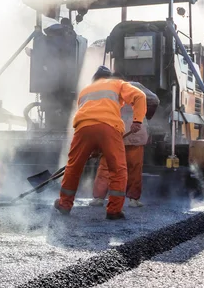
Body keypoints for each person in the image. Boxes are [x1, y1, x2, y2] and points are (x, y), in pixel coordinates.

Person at [54, 65, 147, 220]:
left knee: (73, 168)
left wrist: (94, 148)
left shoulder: (85, 91)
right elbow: (140, 96)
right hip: (109, 127)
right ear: (109, 77)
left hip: (83, 128)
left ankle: (64, 204)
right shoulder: (117, 84)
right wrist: (137, 120)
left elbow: (88, 114)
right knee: (118, 169)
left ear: (94, 79)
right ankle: (114, 210)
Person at [90, 76, 160, 208]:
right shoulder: (135, 86)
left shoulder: (102, 90)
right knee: (134, 167)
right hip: (134, 132)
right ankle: (133, 200)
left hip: (115, 132)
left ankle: (98, 198)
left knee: (106, 166)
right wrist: (145, 116)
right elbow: (154, 100)